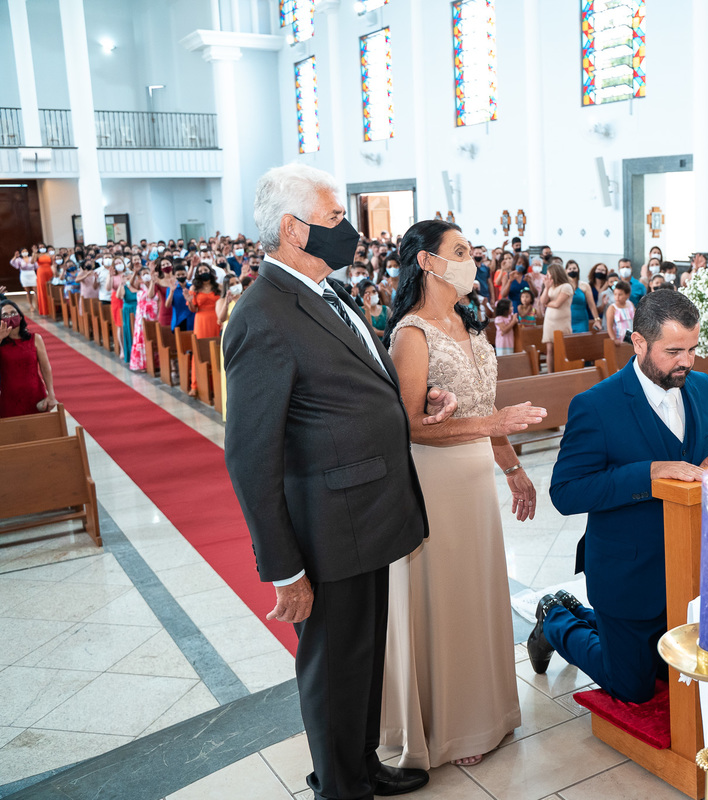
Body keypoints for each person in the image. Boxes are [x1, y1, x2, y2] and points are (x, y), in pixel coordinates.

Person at [224, 163, 454, 800]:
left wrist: (413, 400)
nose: (348, 231)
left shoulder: (330, 293)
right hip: (330, 527)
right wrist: (283, 568)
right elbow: (249, 454)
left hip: (368, 514)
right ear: (294, 230)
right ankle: (339, 786)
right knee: (334, 666)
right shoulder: (262, 313)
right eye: (333, 218)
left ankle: (358, 763)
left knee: (363, 654)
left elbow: (354, 384)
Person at [379, 220, 544, 768]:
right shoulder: (412, 333)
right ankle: (448, 727)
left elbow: (480, 408)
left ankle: (484, 713)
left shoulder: (470, 327)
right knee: (445, 596)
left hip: (474, 477)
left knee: (476, 590)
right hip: (434, 479)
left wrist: (512, 468)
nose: (472, 259)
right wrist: (493, 422)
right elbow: (410, 427)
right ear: (427, 262)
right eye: (461, 251)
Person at [527, 290, 708, 703]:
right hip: (627, 575)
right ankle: (555, 619)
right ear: (639, 342)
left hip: (689, 570)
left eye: (693, 348)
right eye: (674, 350)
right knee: (634, 689)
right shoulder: (596, 405)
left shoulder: (701, 387)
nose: (688, 361)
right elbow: (566, 492)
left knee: (677, 672)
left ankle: (591, 622)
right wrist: (649, 472)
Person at [0, 300, 57, 417]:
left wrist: (51, 394)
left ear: (20, 317)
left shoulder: (35, 339)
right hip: (9, 398)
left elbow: (45, 367)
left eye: (13, 313)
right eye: (5, 315)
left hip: (35, 395)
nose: (10, 317)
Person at [187, 270, 221, 395]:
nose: (203, 272)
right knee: (199, 351)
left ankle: (215, 385)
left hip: (216, 319)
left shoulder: (218, 287)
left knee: (216, 350)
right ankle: (195, 385)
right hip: (201, 320)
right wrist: (190, 301)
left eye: (205, 270)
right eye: (200, 271)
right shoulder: (194, 288)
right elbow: (193, 309)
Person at [542, 263, 573, 368]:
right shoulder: (550, 287)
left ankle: (562, 370)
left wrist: (547, 304)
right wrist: (546, 288)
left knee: (562, 349)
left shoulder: (566, 286)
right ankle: (550, 374)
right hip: (549, 323)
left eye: (548, 273)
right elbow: (542, 301)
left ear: (555, 274)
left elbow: (557, 304)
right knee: (549, 349)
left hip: (562, 322)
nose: (547, 276)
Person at [130, 267, 156, 372]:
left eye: (147, 273)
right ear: (140, 277)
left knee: (154, 337)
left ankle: (155, 362)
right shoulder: (139, 285)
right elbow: (130, 284)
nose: (146, 275)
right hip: (142, 315)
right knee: (143, 338)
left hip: (153, 314)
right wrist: (135, 272)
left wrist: (153, 281)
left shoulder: (155, 285)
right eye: (144, 273)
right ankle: (143, 364)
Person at [566, 260, 601, 333]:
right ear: (566, 271)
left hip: (581, 320)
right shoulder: (563, 286)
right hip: (566, 320)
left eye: (574, 268)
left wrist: (597, 319)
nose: (572, 270)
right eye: (570, 269)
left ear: (578, 270)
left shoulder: (584, 285)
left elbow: (591, 304)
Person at [34, 246, 54, 316]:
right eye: (40, 247)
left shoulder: (49, 254)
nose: (42, 248)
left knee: (51, 289)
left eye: (43, 246)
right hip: (41, 273)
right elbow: (33, 262)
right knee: (43, 289)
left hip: (49, 271)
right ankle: (44, 309)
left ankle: (53, 309)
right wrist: (34, 253)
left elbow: (53, 263)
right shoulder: (37, 255)